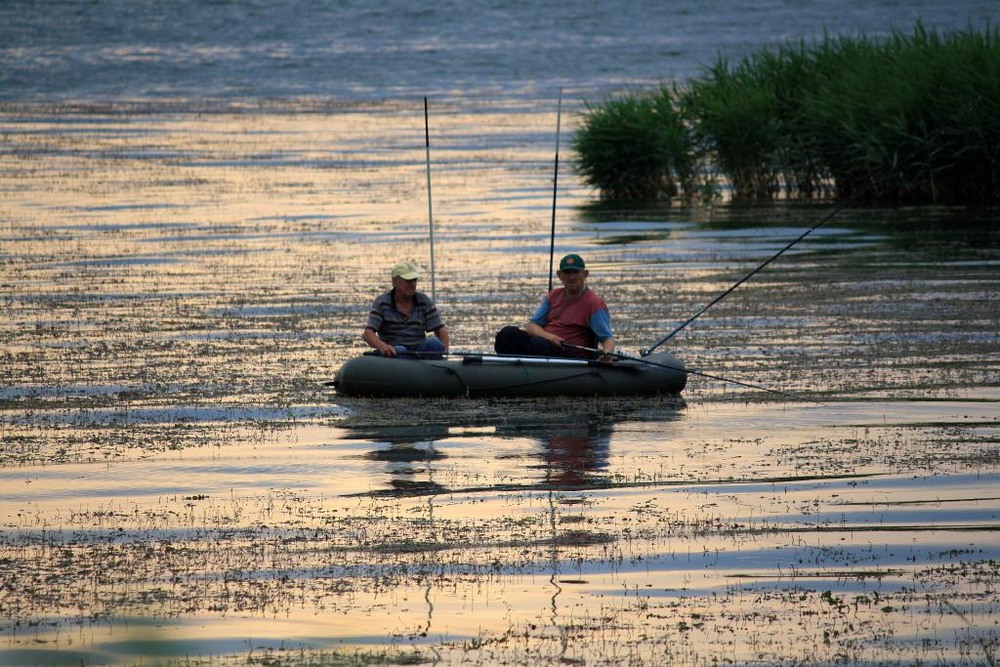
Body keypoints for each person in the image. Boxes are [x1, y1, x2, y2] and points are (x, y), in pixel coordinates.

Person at [494, 253, 616, 360]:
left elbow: (607, 339)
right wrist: (550, 337)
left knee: (538, 344)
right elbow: (532, 326)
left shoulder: (594, 303)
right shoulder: (553, 295)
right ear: (560, 275)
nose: (572, 277)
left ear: (585, 274)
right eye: (567, 273)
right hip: (544, 344)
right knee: (507, 334)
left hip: (572, 356)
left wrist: (607, 354)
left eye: (576, 272)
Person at [364, 261, 450, 358]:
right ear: (394, 282)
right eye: (408, 281)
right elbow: (368, 333)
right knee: (401, 350)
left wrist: (445, 354)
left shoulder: (424, 301)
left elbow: (441, 330)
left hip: (419, 352)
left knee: (434, 343)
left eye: (414, 280)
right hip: (395, 353)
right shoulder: (382, 303)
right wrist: (383, 347)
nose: (412, 284)